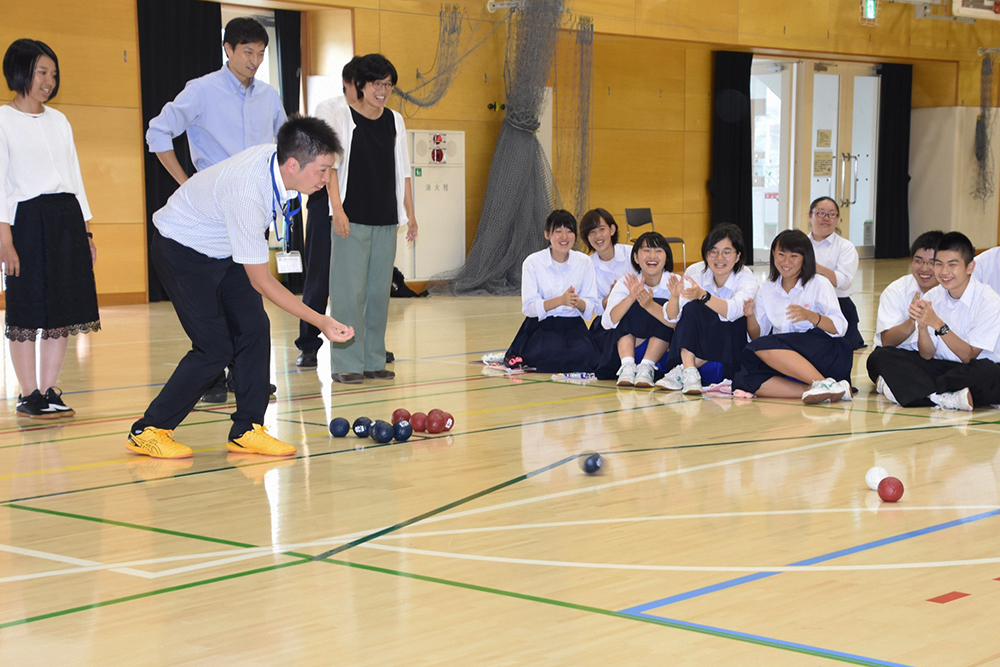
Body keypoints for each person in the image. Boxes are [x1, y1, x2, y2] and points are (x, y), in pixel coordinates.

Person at [126, 116, 354, 459]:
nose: (327, 179)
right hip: (181, 250)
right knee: (215, 348)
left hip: (223, 248)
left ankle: (247, 428)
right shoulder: (249, 192)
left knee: (254, 327)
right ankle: (149, 429)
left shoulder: (276, 164)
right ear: (293, 164)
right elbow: (260, 281)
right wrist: (320, 320)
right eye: (322, 170)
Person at [146, 17, 286, 403]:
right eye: (247, 53)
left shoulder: (269, 97)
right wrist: (184, 181)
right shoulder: (202, 90)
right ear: (228, 49)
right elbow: (157, 132)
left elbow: (285, 144)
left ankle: (246, 379)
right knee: (209, 303)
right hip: (210, 212)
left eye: (261, 54)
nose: (254, 61)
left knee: (247, 300)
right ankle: (213, 373)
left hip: (250, 208)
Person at [1, 38, 100, 419]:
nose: (49, 81)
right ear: (20, 72)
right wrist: (4, 239)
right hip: (25, 221)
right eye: (42, 72)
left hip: (66, 219)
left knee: (63, 310)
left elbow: (75, 177)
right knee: (26, 311)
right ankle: (28, 394)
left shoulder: (60, 121)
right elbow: (0, 183)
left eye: (53, 74)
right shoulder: (2, 120)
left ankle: (48, 391)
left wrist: (87, 232)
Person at [324, 53, 416, 384]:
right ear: (360, 85)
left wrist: (411, 213)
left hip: (386, 218)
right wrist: (338, 210)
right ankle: (346, 362)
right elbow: (330, 168)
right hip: (352, 215)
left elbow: (403, 170)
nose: (383, 90)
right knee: (350, 293)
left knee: (378, 293)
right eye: (377, 84)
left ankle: (374, 359)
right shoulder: (340, 116)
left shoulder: (395, 120)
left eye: (388, 85)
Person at [866, 232, 1000, 410]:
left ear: (970, 267)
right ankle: (942, 397)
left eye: (952, 265)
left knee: (987, 373)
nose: (944, 272)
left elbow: (968, 355)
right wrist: (921, 328)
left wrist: (938, 324)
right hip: (940, 366)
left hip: (971, 368)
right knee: (880, 356)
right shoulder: (933, 295)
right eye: (939, 264)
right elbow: (927, 354)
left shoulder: (988, 299)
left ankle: (915, 391)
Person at [733, 229, 853, 404]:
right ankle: (821, 390)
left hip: (823, 350)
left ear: (805, 258)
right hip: (786, 356)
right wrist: (750, 316)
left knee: (764, 346)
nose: (786, 262)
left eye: (794, 256)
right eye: (781, 254)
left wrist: (812, 316)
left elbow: (840, 328)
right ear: (773, 254)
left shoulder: (819, 283)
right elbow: (757, 337)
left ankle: (822, 382)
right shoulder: (768, 287)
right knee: (743, 378)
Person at [295, 56, 361, 368]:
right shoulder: (328, 109)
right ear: (348, 83)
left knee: (357, 279)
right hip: (326, 202)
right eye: (362, 84)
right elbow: (327, 163)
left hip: (360, 203)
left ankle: (361, 340)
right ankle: (308, 344)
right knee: (319, 276)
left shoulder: (382, 117)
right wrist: (337, 209)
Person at [658, 223, 758, 394]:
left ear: (737, 255)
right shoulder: (696, 271)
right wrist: (674, 297)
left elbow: (734, 311)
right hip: (701, 337)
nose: (719, 258)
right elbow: (673, 317)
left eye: (727, 252)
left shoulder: (746, 277)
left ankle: (684, 371)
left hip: (732, 346)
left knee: (728, 317)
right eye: (713, 251)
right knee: (691, 309)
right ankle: (690, 371)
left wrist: (703, 295)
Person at [505, 209, 601, 373]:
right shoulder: (533, 262)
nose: (564, 237)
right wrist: (560, 301)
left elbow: (592, 304)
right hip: (542, 325)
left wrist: (577, 302)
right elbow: (528, 307)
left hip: (573, 325)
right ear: (547, 234)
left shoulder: (584, 262)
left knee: (586, 357)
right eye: (558, 231)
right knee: (551, 354)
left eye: (569, 231)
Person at [596, 232, 675, 388]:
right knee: (628, 306)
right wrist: (631, 298)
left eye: (658, 251)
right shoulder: (626, 282)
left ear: (667, 257)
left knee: (663, 307)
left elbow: (679, 323)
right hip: (629, 347)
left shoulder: (676, 283)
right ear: (636, 258)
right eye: (646, 250)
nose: (652, 256)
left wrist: (650, 306)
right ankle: (628, 366)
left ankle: (647, 366)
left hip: (664, 352)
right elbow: (607, 323)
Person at [869, 230, 943, 352]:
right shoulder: (896, 290)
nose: (924, 268)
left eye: (932, 263)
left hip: (938, 357)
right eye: (918, 261)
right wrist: (913, 320)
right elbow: (887, 341)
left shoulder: (954, 292)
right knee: (881, 356)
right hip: (904, 354)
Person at [808, 197, 865, 349]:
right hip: (806, 304)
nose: (826, 218)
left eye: (831, 214)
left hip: (839, 305)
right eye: (820, 213)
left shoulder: (846, 247)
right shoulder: (800, 245)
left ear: (837, 218)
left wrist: (812, 266)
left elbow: (844, 282)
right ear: (810, 215)